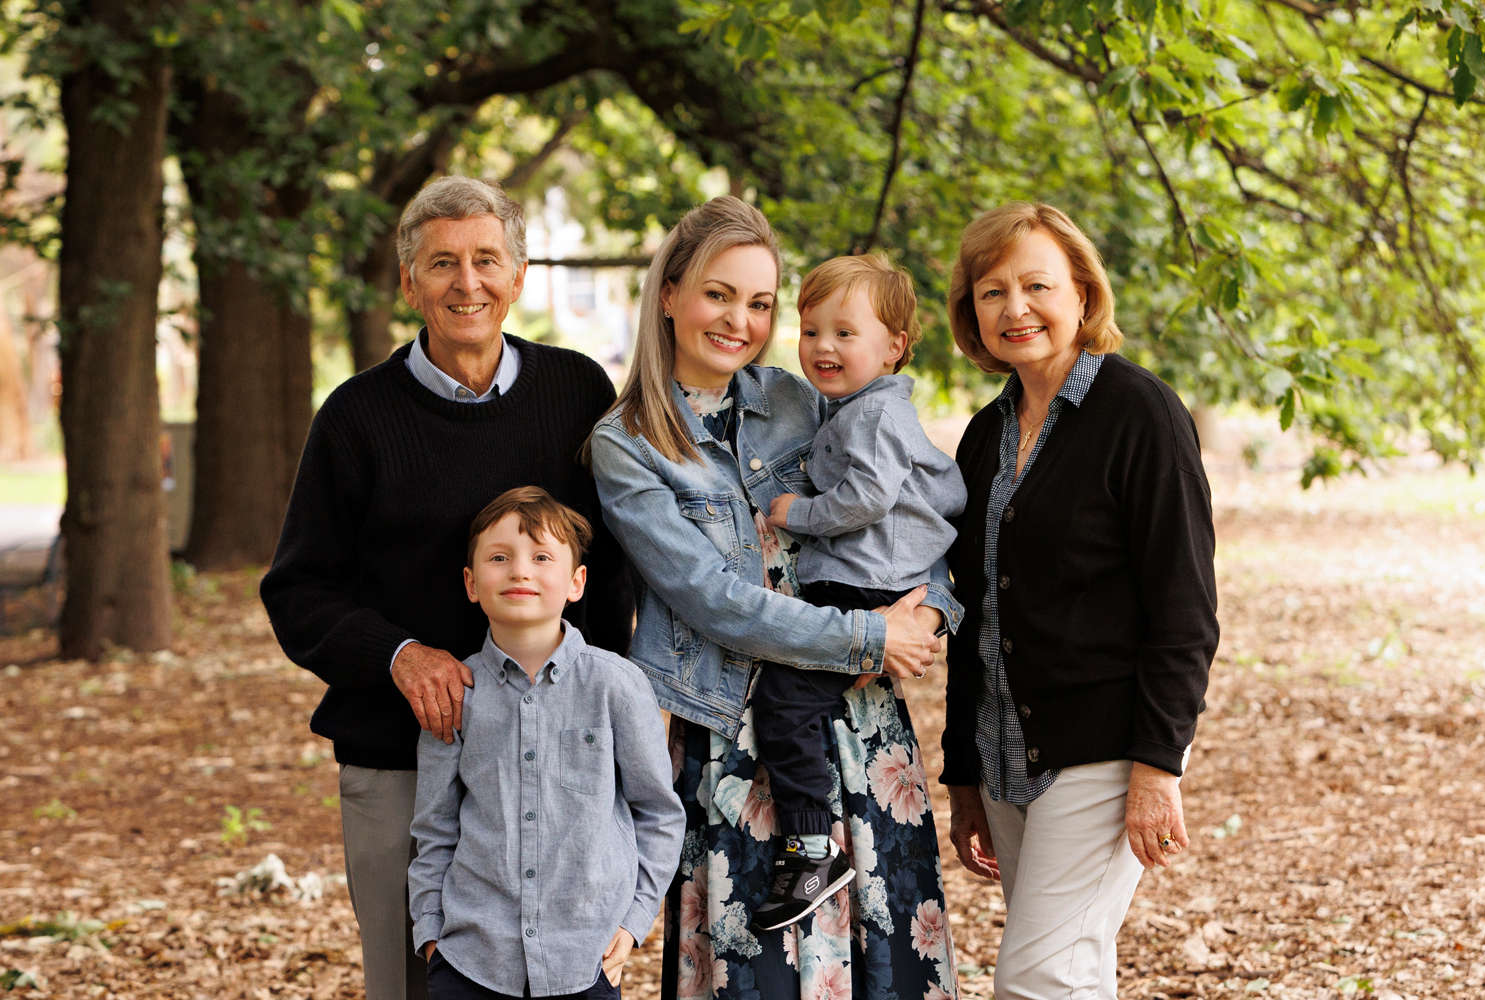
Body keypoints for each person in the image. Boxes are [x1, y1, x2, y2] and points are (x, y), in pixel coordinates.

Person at [260, 175, 632, 1000]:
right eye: (441, 264)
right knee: (411, 983)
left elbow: (607, 579)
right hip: (401, 761)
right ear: (408, 283)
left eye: (486, 260)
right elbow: (298, 591)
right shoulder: (355, 418)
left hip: (553, 763)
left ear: (519, 276)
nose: (467, 284)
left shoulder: (578, 394)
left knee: (562, 982)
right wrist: (399, 657)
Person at [588, 196, 963, 1000]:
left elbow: (907, 514)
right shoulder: (626, 447)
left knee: (883, 966)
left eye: (760, 303)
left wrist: (929, 611)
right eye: (719, 294)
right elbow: (714, 600)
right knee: (755, 977)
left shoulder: (803, 398)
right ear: (671, 294)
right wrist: (869, 635)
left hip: (861, 726)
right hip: (736, 737)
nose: (740, 321)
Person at [939, 202, 1219, 1000]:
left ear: (1084, 297)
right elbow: (975, 612)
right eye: (992, 292)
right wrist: (965, 774)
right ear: (973, 315)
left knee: (1037, 978)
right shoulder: (983, 435)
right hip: (1006, 751)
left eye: (1037, 285)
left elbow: (1185, 607)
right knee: (1072, 972)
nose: (1015, 308)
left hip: (1109, 745)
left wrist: (1159, 765)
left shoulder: (1140, 413)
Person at [751, 253, 966, 932]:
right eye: (810, 329)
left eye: (845, 332)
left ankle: (812, 848)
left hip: (862, 587)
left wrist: (797, 515)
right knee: (801, 702)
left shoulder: (872, 416)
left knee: (785, 701)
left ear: (895, 346)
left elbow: (869, 497)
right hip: (866, 581)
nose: (822, 346)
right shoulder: (856, 410)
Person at [409, 487, 684, 1000]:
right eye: (499, 558)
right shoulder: (455, 693)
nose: (520, 571)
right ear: (471, 583)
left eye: (541, 557)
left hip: (587, 959)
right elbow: (435, 824)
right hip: (471, 960)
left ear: (577, 582)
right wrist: (432, 936)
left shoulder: (617, 685)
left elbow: (659, 814)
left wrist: (634, 920)